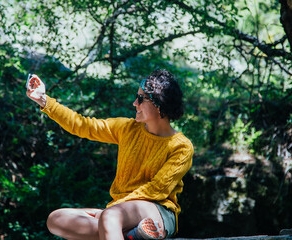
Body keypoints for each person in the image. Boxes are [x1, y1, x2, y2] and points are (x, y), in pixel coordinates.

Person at [26, 69, 194, 240]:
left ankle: (122, 229)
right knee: (56, 219)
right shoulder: (126, 129)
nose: (135, 103)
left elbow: (156, 190)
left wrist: (110, 212)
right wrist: (43, 100)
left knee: (110, 217)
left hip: (158, 211)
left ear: (160, 104)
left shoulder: (181, 147)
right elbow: (83, 125)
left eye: (141, 99)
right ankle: (132, 235)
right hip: (118, 212)